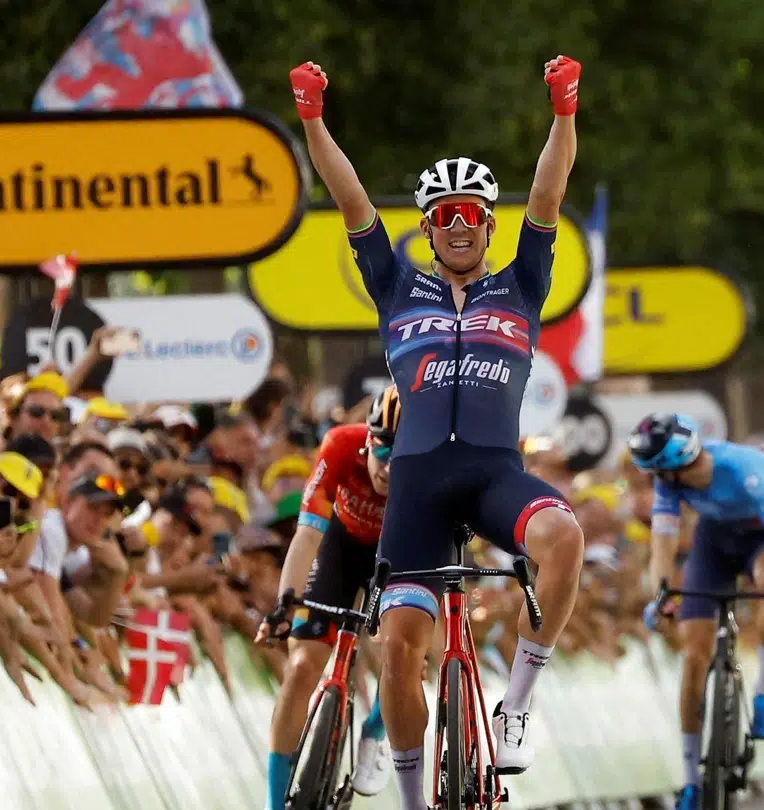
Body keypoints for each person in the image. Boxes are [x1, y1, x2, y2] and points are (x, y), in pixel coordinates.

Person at [287, 53, 586, 806]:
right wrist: (314, 121)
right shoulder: (396, 285)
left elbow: (550, 188)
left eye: (473, 215)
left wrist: (563, 112)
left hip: (492, 473)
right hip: (416, 482)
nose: (459, 225)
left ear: (490, 225)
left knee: (565, 538)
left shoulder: (521, 283)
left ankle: (516, 702)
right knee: (398, 653)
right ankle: (416, 800)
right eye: (444, 215)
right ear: (426, 228)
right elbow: (347, 194)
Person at [630, 413, 764, 810]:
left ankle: (763, 692)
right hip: (713, 545)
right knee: (695, 656)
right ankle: (692, 781)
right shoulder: (669, 482)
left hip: (763, 541)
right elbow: (662, 545)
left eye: (657, 471)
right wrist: (659, 597)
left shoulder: (745, 473)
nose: (654, 481)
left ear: (676, 465)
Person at [255, 386, 399, 809]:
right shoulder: (339, 445)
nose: (388, 470)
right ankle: (274, 803)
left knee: (403, 653)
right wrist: (285, 604)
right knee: (301, 668)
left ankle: (377, 727)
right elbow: (306, 535)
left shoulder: (427, 469)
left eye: (400, 460)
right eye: (382, 453)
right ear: (366, 442)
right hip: (339, 545)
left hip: (396, 553)